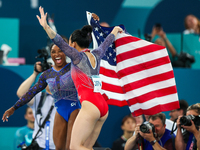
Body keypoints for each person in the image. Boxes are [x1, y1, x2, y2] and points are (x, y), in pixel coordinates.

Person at [35, 6, 123, 150]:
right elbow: (108, 40)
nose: (68, 46)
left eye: (69, 42)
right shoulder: (97, 53)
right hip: (102, 106)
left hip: (90, 105)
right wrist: (114, 30)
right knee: (86, 147)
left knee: (75, 147)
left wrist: (45, 26)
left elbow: (57, 40)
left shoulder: (76, 56)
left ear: (73, 44)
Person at [2, 31, 81, 149]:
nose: (53, 80)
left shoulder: (72, 83)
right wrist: (35, 74)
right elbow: (23, 93)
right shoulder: (40, 95)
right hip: (39, 146)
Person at [16, 61, 56, 150]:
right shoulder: (39, 97)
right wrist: (35, 73)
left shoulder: (67, 98)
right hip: (39, 146)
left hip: (60, 147)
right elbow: (20, 94)